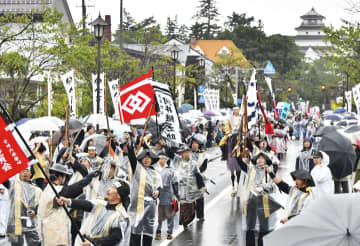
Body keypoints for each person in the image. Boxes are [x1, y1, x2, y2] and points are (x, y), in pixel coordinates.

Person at [56, 180, 131, 246]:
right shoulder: (101, 204)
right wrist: (67, 201)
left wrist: (93, 243)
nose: (109, 189)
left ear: (119, 196)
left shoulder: (121, 216)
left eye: (113, 188)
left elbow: (114, 238)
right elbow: (85, 204)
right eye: (111, 186)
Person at [38, 163, 97, 246]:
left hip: (53, 233)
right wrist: (88, 178)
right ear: (60, 177)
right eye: (65, 177)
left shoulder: (48, 189)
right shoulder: (53, 190)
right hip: (55, 236)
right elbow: (71, 190)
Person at [237, 152, 280, 246]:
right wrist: (238, 155)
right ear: (256, 160)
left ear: (265, 160)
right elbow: (242, 165)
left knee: (263, 228)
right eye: (258, 158)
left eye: (262, 158)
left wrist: (263, 188)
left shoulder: (269, 171)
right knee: (250, 227)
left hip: (264, 202)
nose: (260, 160)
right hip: (251, 201)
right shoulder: (251, 170)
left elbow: (274, 187)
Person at [127, 140, 162, 246]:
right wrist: (130, 146)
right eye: (144, 158)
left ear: (152, 160)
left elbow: (159, 187)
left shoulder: (156, 173)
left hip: (150, 209)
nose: (146, 160)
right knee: (135, 233)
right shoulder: (137, 169)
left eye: (149, 158)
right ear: (141, 160)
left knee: (148, 233)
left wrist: (157, 192)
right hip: (136, 207)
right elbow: (132, 158)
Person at [3, 167, 42, 246]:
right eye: (22, 171)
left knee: (35, 243)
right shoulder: (13, 184)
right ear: (19, 173)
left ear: (31, 173)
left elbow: (41, 203)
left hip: (30, 223)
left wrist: (35, 211)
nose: (24, 173)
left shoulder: (37, 189)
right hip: (15, 223)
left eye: (27, 171)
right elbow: (3, 178)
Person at [174, 145, 206, 230]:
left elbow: (198, 175)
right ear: (182, 154)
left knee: (195, 204)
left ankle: (199, 215)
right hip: (183, 190)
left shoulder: (194, 163)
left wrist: (202, 186)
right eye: (185, 153)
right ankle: (185, 223)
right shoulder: (178, 162)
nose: (186, 154)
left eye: (188, 152)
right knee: (185, 207)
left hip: (193, 188)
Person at [154, 152, 179, 240]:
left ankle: (169, 232)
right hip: (158, 195)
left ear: (166, 159)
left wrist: (176, 195)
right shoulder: (154, 169)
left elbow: (175, 182)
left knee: (170, 214)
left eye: (163, 158)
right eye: (160, 158)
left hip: (169, 194)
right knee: (159, 215)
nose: (161, 160)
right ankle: (158, 232)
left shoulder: (170, 170)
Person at [219, 106, 242, 196]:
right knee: (222, 142)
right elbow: (226, 128)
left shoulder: (241, 118)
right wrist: (229, 133)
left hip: (240, 135)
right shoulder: (229, 118)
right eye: (235, 110)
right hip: (231, 134)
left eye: (237, 110)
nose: (236, 111)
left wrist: (242, 132)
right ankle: (224, 155)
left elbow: (243, 127)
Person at [190, 134, 208, 220]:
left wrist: (196, 172)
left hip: (198, 179)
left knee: (200, 197)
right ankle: (188, 217)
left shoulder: (204, 156)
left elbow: (203, 168)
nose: (194, 144)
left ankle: (200, 215)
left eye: (196, 143)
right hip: (188, 179)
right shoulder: (187, 153)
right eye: (193, 142)